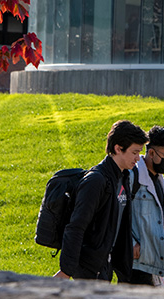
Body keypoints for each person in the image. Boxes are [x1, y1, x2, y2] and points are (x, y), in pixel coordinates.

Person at [55, 119, 147, 281]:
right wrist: (66, 271)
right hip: (88, 269)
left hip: (105, 266)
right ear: (118, 148)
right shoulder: (96, 181)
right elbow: (76, 226)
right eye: (134, 152)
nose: (138, 158)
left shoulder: (124, 177)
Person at [123, 125, 164, 287]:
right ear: (151, 152)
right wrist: (130, 242)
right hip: (135, 262)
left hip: (153, 263)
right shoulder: (131, 175)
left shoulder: (158, 179)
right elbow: (114, 213)